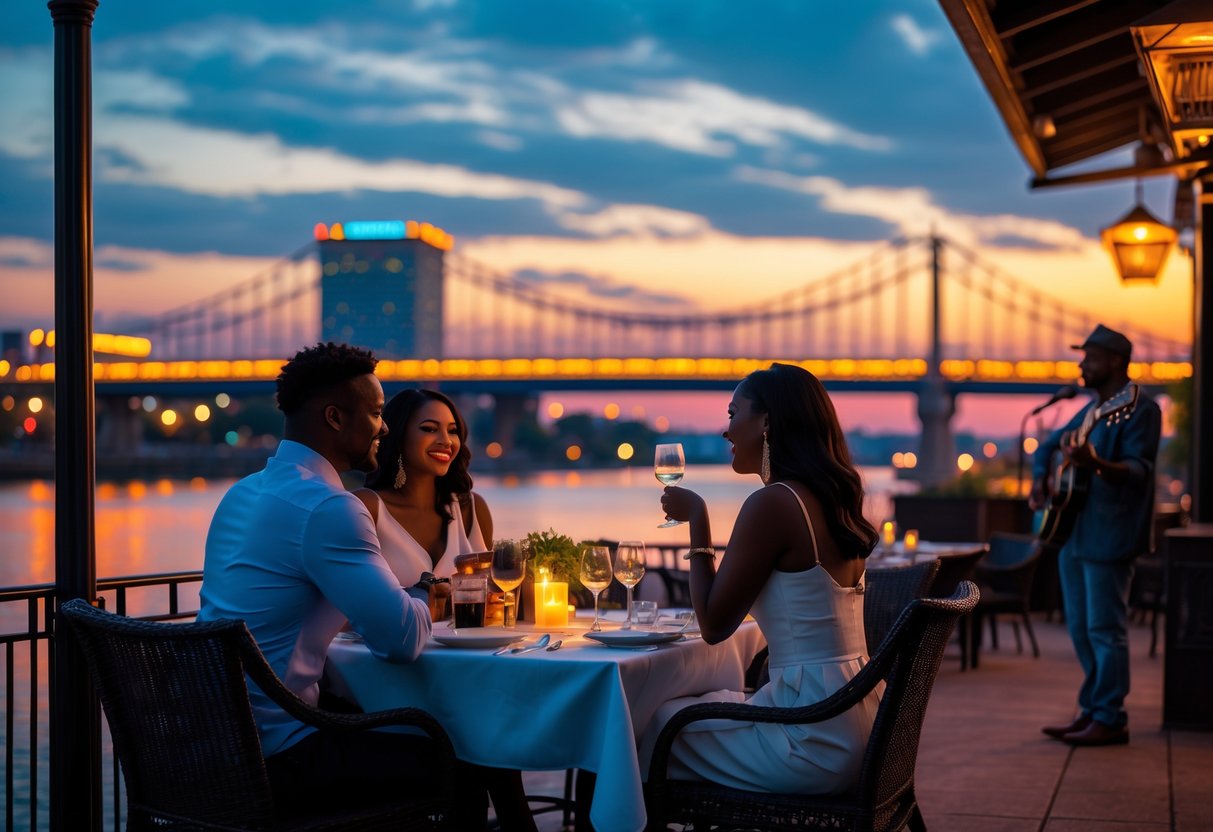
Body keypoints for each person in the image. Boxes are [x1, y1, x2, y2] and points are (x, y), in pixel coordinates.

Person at [198, 342, 493, 825]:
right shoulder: (330, 507)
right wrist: (428, 587)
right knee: (462, 760)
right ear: (335, 418)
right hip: (278, 755)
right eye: (376, 413)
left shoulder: (242, 493)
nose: (383, 427)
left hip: (211, 746)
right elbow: (400, 641)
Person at [640, 362, 881, 795]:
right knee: (692, 708)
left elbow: (714, 626)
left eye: (733, 415)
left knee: (648, 725)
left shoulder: (774, 504)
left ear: (766, 421)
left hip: (809, 736)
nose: (725, 432)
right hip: (860, 722)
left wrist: (698, 519)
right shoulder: (829, 500)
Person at [1031, 324, 1160, 747]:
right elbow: (1050, 445)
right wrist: (1039, 481)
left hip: (1111, 534)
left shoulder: (1139, 409)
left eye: (1089, 358)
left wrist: (1096, 462)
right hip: (1075, 531)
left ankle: (1111, 717)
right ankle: (1092, 710)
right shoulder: (1092, 408)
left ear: (1115, 362)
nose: (1082, 365)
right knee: (1082, 628)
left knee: (1106, 629)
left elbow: (1139, 472)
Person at [354, 389, 492, 585]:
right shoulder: (366, 507)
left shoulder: (472, 509)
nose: (446, 441)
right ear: (399, 437)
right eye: (429, 429)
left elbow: (498, 593)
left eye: (452, 431)